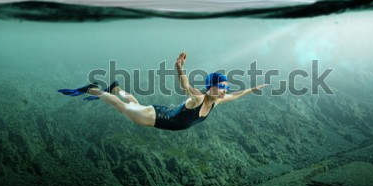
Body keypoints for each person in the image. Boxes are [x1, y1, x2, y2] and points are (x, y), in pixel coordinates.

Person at [58, 52, 266, 131]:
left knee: (133, 103)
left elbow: (237, 95)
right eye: (221, 87)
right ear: (210, 86)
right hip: (153, 118)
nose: (224, 91)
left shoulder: (216, 101)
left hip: (159, 111)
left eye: (226, 88)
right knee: (121, 106)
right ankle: (93, 89)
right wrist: (179, 67)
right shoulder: (199, 98)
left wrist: (252, 88)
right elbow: (185, 85)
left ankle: (115, 87)